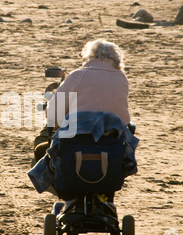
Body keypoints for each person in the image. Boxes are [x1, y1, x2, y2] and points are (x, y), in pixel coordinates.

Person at [31, 38, 132, 212]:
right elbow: (124, 118)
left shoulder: (78, 75)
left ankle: (69, 199)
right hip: (111, 143)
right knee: (113, 158)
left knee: (41, 149)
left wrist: (55, 124)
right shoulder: (122, 78)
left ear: (88, 56)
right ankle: (107, 199)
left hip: (76, 143)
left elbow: (54, 111)